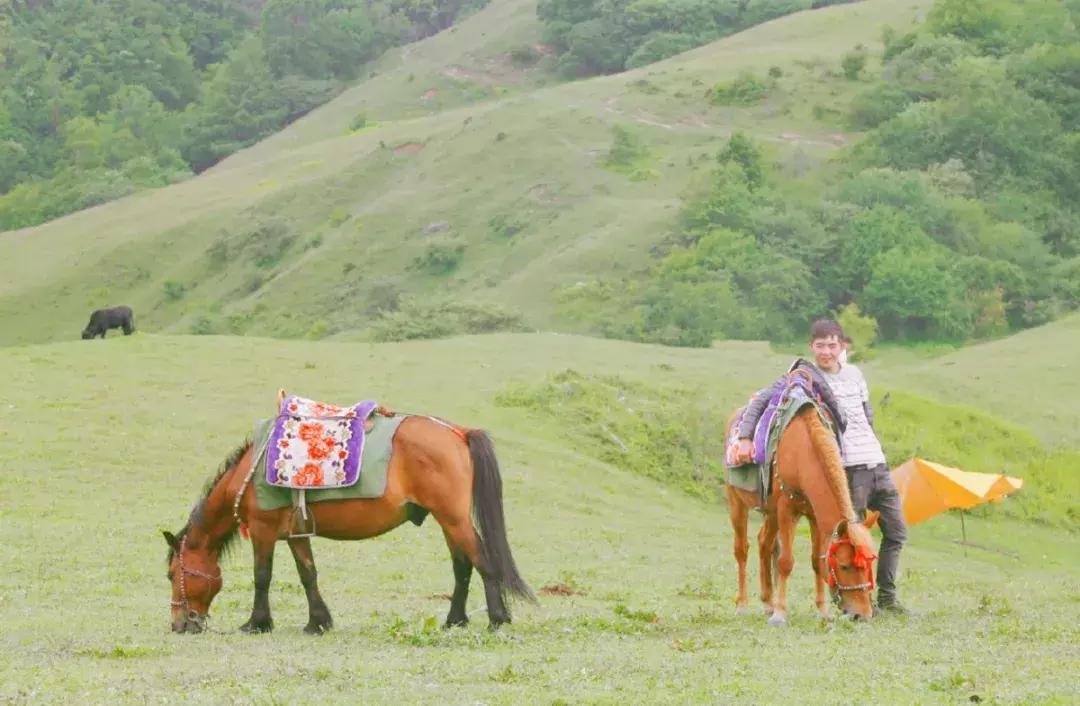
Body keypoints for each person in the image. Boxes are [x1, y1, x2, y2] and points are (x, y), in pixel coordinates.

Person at [734, 318, 909, 614]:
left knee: (897, 532)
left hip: (876, 462)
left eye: (832, 345)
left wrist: (874, 447)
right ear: (811, 347)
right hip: (848, 469)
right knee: (846, 540)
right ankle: (848, 599)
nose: (826, 351)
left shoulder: (855, 374)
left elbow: (866, 415)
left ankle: (887, 598)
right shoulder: (806, 376)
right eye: (820, 345)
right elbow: (763, 399)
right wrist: (745, 437)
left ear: (842, 346)